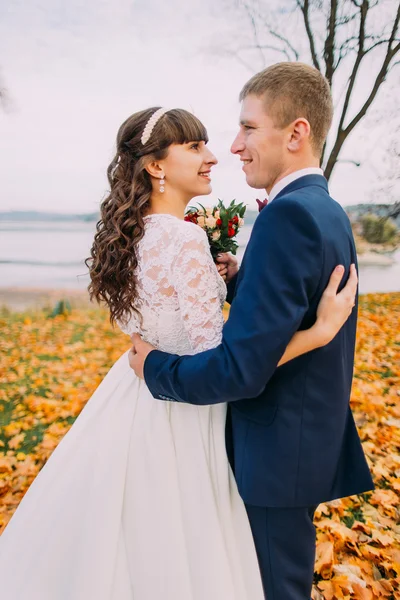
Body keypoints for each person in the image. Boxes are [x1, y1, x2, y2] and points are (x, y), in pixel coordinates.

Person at [0, 106, 356, 600]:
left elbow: (161, 318)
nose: (213, 156)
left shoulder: (136, 235)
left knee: (126, 539)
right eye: (194, 146)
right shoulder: (185, 238)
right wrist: (318, 334)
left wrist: (227, 282)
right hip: (184, 411)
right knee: (179, 541)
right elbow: (225, 362)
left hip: (131, 395)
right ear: (155, 166)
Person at [129, 64, 375, 600]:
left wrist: (154, 367)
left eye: (247, 128)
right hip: (298, 440)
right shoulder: (324, 209)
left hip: (276, 452)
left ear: (295, 133)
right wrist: (245, 281)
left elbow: (241, 367)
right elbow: (292, 308)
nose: (234, 145)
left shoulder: (288, 218)